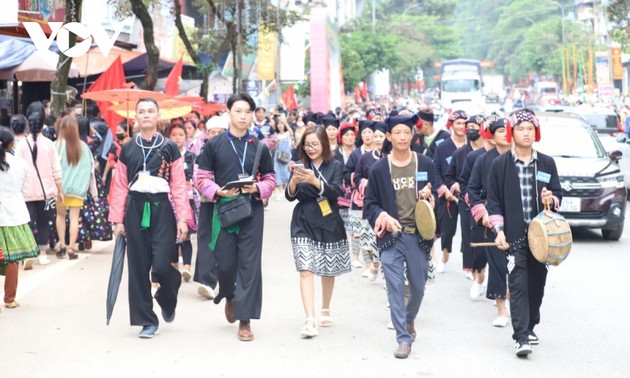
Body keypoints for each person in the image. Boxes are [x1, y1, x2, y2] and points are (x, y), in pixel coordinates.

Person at [195, 93, 276, 341]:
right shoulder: (214, 145)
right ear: (228, 112)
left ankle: (245, 320)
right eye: (238, 111)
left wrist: (259, 189)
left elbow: (271, 178)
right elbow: (201, 178)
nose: (243, 116)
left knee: (250, 266)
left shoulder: (259, 146)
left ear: (252, 115)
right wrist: (217, 191)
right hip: (223, 212)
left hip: (251, 211)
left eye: (247, 112)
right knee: (226, 264)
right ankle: (229, 295)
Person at [109, 98, 190, 339]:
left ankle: (167, 297)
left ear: (158, 116)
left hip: (161, 210)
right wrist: (118, 220)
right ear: (135, 117)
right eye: (141, 111)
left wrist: (182, 218)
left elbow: (178, 186)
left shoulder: (169, 147)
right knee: (138, 267)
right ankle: (147, 320)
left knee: (163, 265)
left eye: (150, 111)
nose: (146, 115)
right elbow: (120, 186)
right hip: (135, 209)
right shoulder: (128, 149)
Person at [486, 109, 562, 357]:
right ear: (511, 132)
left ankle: (530, 325)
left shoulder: (547, 162)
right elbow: (494, 202)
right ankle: (520, 337)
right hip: (514, 237)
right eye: (521, 128)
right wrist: (498, 230)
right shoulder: (499, 165)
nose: (526, 133)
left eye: (530, 128)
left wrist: (551, 199)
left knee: (537, 286)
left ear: (536, 132)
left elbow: (558, 193)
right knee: (518, 285)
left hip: (542, 239)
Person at [363, 114, 437, 359]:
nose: (403, 137)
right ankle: (403, 338)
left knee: (418, 287)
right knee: (394, 287)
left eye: (407, 132)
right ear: (388, 136)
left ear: (413, 135)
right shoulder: (379, 168)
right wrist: (382, 214)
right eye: (398, 133)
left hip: (418, 237)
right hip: (391, 237)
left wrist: (429, 196)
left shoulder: (424, 163)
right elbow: (370, 204)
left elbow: (434, 195)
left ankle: (409, 318)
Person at [286, 126, 350, 338]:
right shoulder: (300, 165)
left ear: (324, 143)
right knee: (305, 269)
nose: (310, 148)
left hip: (328, 218)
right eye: (306, 145)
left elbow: (336, 192)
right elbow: (290, 196)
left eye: (314, 144)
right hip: (302, 220)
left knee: (327, 268)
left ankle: (325, 307)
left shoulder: (336, 165)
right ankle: (309, 319)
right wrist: (294, 183)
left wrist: (315, 181)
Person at [467, 117, 511, 326]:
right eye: (500, 131)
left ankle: (512, 298)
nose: (505, 134)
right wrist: (483, 213)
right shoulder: (483, 160)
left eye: (508, 130)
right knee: (497, 263)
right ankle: (502, 309)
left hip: (517, 218)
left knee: (517, 265)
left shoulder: (520, 158)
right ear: (491, 136)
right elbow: (472, 190)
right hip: (491, 219)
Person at [16, 111, 63, 268]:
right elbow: (56, 170)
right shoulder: (49, 144)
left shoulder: (21, 145)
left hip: (26, 193)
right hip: (47, 193)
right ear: (43, 125)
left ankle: (28, 252)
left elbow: (17, 170)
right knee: (44, 222)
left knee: (27, 223)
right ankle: (42, 254)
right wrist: (60, 191)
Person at [0, 127, 39, 308]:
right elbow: (24, 190)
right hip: (14, 217)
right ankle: (9, 299)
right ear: (11, 143)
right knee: (11, 259)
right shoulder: (21, 164)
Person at [444, 115, 486, 279]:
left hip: (488, 200)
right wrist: (457, 188)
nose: (470, 130)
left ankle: (482, 268)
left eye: (475, 127)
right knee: (468, 233)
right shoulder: (461, 153)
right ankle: (470, 267)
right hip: (466, 199)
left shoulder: (491, 152)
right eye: (468, 127)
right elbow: (452, 177)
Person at [54, 116, 94, 260]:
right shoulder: (83, 146)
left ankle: (62, 244)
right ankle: (71, 247)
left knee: (60, 215)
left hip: (60, 190)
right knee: (74, 218)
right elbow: (90, 170)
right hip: (77, 190)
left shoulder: (56, 145)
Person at [433, 110, 467, 273]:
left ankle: (469, 265)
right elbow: (436, 171)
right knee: (447, 230)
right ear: (451, 125)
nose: (461, 126)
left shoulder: (473, 145)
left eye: (464, 123)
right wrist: (444, 190)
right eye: (458, 123)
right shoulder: (443, 147)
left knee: (470, 231)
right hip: (447, 196)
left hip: (468, 194)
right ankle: (444, 255)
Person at [353, 121, 388, 280]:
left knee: (386, 238)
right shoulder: (366, 157)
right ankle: (374, 264)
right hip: (371, 202)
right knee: (371, 238)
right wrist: (365, 183)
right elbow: (357, 176)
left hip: (389, 203)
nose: (379, 139)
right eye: (376, 136)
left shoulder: (392, 156)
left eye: (381, 136)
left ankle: (381, 269)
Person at [167, 123, 197, 281]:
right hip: (169, 199)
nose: (177, 137)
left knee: (186, 235)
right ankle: (174, 267)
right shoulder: (165, 154)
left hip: (188, 199)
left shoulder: (191, 155)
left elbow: (194, 175)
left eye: (180, 134)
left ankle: (187, 267)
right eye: (174, 134)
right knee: (172, 235)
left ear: (186, 137)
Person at [273, 116, 294, 200]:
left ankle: (286, 190)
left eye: (281, 124)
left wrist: (285, 122)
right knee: (277, 173)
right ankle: (280, 191)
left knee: (285, 173)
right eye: (278, 124)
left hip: (285, 157)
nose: (280, 125)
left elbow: (291, 132)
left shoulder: (287, 134)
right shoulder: (276, 134)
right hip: (277, 156)